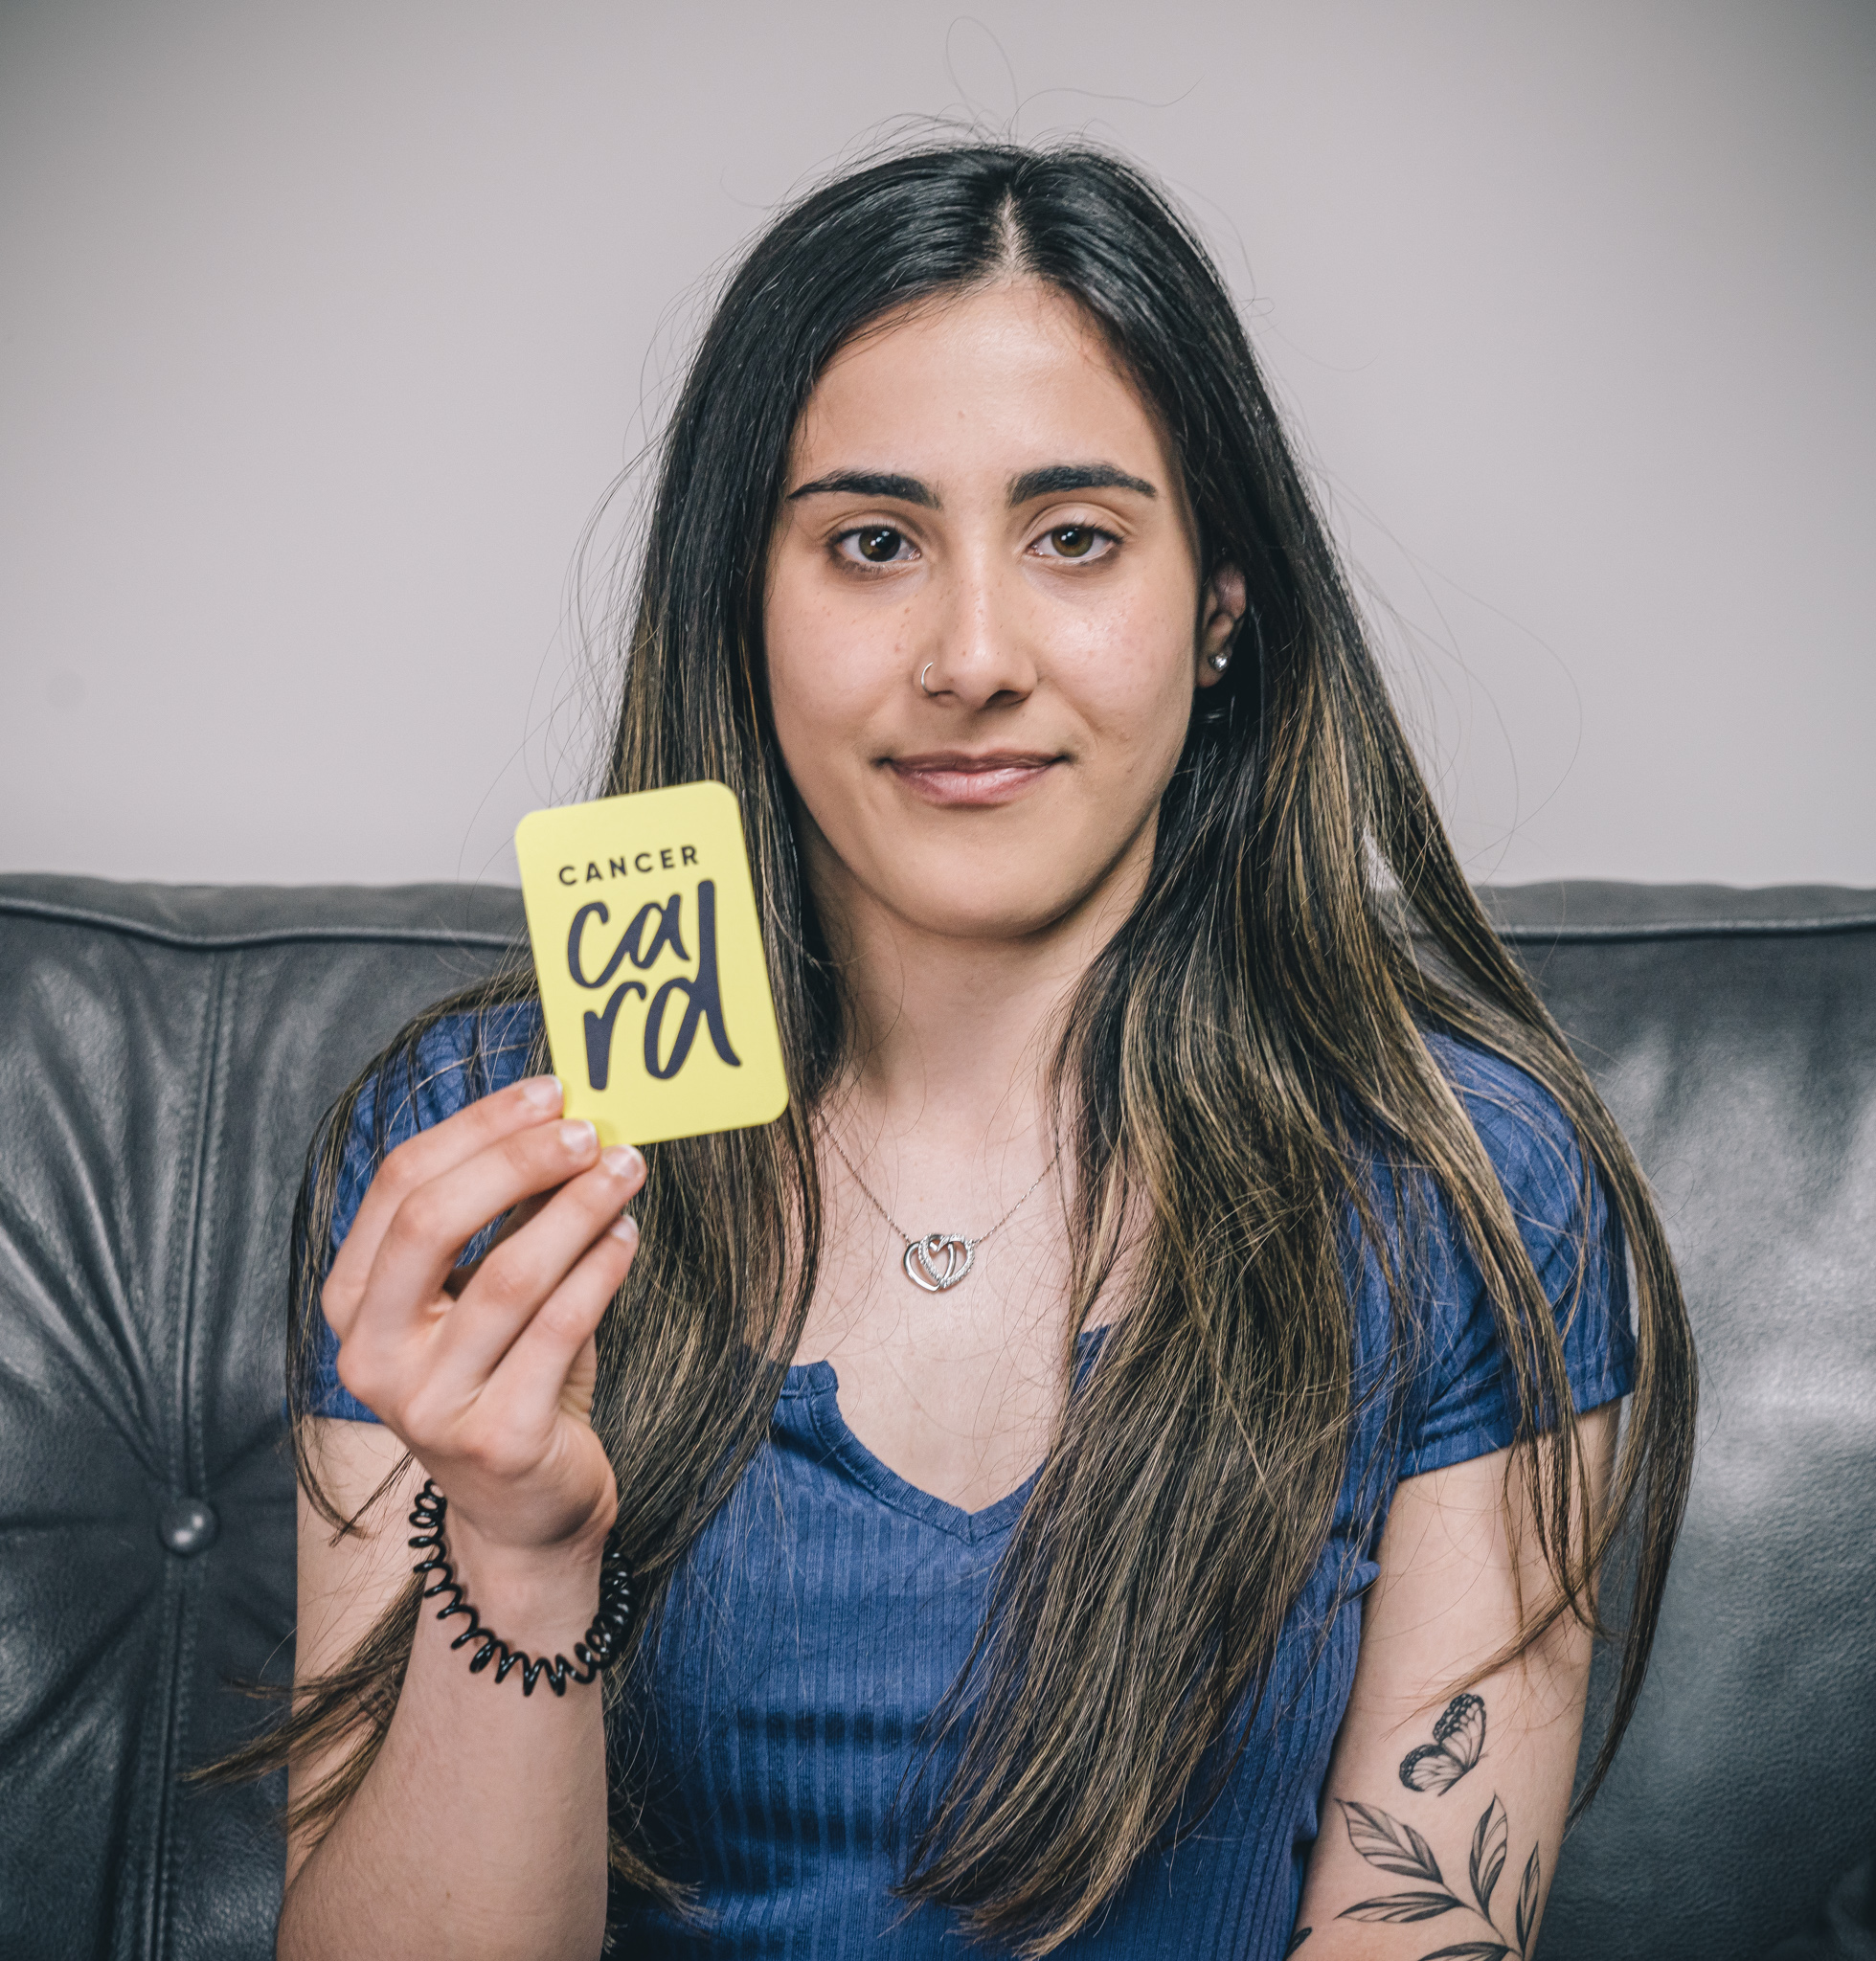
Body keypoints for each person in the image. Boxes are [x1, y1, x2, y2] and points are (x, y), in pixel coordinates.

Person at [247, 142, 1695, 1959]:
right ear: (744, 608)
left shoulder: (1469, 1190)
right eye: (872, 544)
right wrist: (518, 1545)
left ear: (1222, 608)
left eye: (1075, 538)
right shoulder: (478, 1144)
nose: (975, 654)